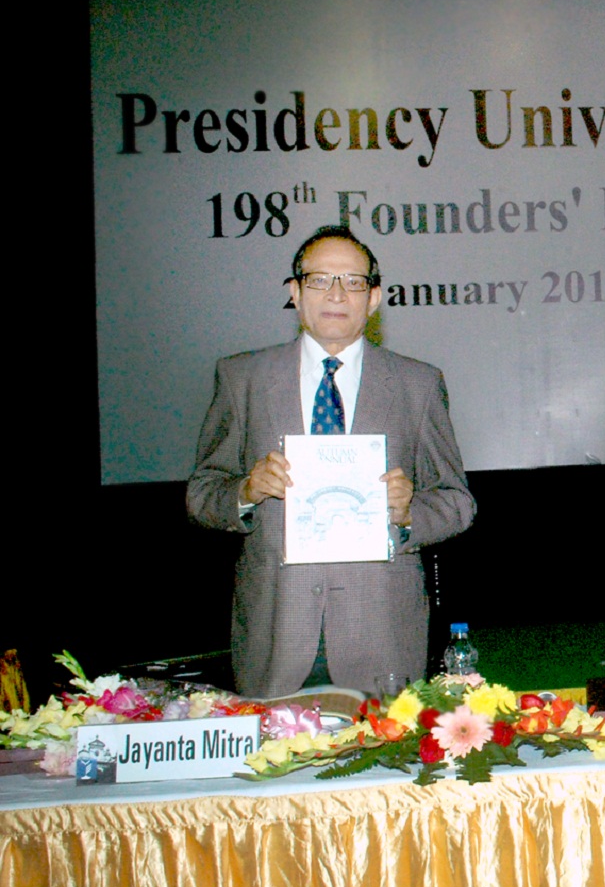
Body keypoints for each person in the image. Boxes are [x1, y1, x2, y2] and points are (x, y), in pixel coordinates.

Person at [187, 226, 476, 696]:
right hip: (275, 633)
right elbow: (201, 494)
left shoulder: (417, 384)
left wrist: (408, 513)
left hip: (382, 634)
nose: (336, 294)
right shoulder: (242, 377)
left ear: (374, 297)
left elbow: (457, 502)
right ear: (295, 293)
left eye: (353, 282)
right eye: (319, 280)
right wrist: (246, 491)